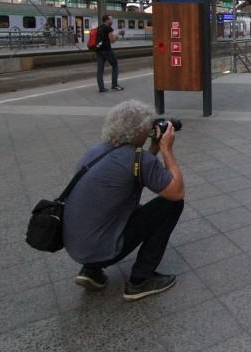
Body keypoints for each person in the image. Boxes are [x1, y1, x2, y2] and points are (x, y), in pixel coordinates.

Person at [63, 100, 185, 301]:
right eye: (147, 128)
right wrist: (166, 150)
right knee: (171, 205)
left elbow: (134, 171)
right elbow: (177, 191)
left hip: (76, 246)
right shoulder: (137, 160)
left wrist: (152, 147)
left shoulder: (95, 150)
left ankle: (91, 271)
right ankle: (140, 281)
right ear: (139, 131)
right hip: (101, 248)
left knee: (106, 207)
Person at [96, 14, 123, 92]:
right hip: (107, 50)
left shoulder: (99, 28)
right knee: (115, 65)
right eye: (111, 19)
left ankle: (101, 88)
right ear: (107, 20)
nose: (112, 20)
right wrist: (117, 36)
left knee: (100, 70)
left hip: (99, 50)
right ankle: (114, 85)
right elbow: (112, 41)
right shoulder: (108, 28)